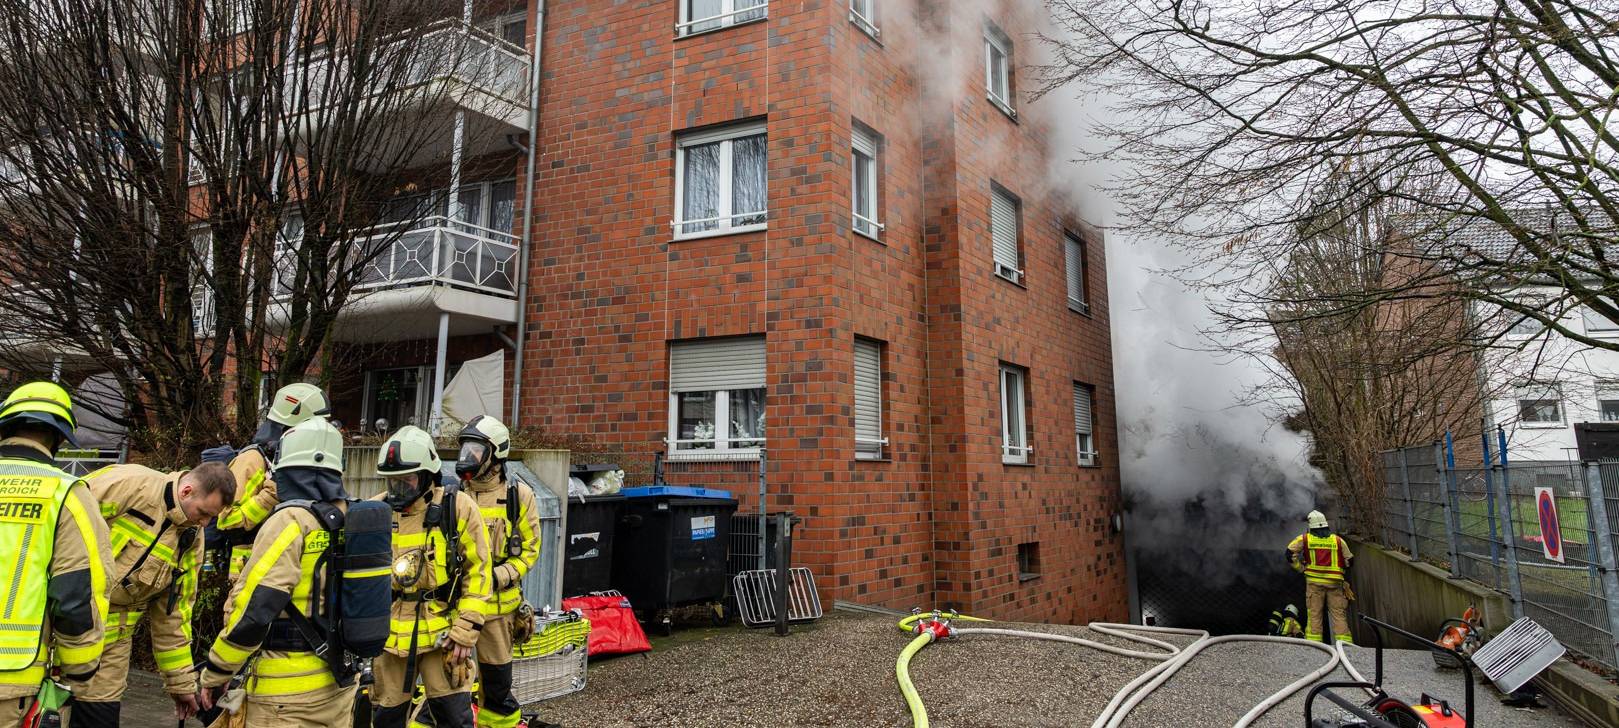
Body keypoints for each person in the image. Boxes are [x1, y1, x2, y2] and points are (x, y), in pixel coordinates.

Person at [199, 417, 358, 727]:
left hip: (283, 696)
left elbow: (256, 607)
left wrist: (218, 670)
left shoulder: (290, 521)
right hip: (339, 686)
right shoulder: (352, 517)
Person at [74, 462, 237, 727]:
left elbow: (174, 614)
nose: (205, 523)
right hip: (64, 631)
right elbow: (59, 530)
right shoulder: (128, 484)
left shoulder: (192, 537)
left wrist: (181, 684)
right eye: (204, 513)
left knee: (99, 719)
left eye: (212, 518)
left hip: (111, 646)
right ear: (186, 492)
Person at [0, 382, 111, 728]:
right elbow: (75, 593)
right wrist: (81, 671)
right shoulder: (67, 494)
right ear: (60, 438)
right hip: (11, 677)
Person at [371, 426, 490, 728]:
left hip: (445, 636)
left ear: (427, 476)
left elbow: (479, 573)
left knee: (453, 717)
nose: (398, 489)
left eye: (407, 480)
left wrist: (465, 631)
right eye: (392, 481)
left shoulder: (457, 508)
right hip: (390, 638)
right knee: (386, 719)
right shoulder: (377, 511)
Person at [454, 416, 539, 728]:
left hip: (498, 611)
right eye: (465, 449)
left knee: (497, 690)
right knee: (449, 685)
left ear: (495, 453)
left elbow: (529, 551)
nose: (467, 457)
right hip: (457, 610)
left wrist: (498, 576)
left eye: (475, 450)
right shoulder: (454, 495)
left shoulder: (519, 497)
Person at [217, 382, 331, 579]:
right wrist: (271, 494)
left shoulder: (300, 462)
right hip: (249, 571)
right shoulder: (252, 460)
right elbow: (227, 521)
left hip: (290, 568)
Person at [1287, 510, 1355, 644]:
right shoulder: (1338, 540)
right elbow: (1350, 560)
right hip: (1335, 584)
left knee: (1314, 616)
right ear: (1326, 526)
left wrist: (1301, 568)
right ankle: (1346, 648)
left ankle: (1315, 646)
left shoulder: (1305, 539)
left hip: (1314, 584)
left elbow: (1289, 554)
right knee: (1339, 616)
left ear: (1310, 527)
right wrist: (1340, 571)